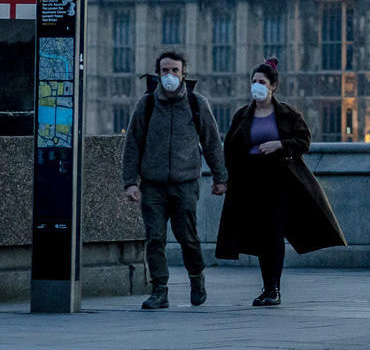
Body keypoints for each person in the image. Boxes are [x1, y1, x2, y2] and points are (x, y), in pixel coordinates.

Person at [215, 57, 346, 306]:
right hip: (251, 182)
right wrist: (228, 177)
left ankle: (273, 287)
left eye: (261, 82)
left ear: (273, 86)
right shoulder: (242, 115)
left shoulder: (287, 114)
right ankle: (268, 287)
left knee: (274, 233)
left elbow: (303, 142)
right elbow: (230, 148)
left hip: (279, 180)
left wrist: (279, 144)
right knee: (262, 236)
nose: (256, 86)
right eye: (254, 81)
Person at [121, 49, 228, 310]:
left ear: (183, 74)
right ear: (158, 75)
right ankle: (159, 290)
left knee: (187, 238)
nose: (170, 75)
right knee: (154, 239)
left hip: (185, 183)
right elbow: (133, 144)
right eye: (165, 71)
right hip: (153, 184)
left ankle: (196, 278)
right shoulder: (146, 104)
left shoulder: (196, 103)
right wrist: (130, 182)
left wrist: (220, 177)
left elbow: (212, 142)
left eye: (174, 71)